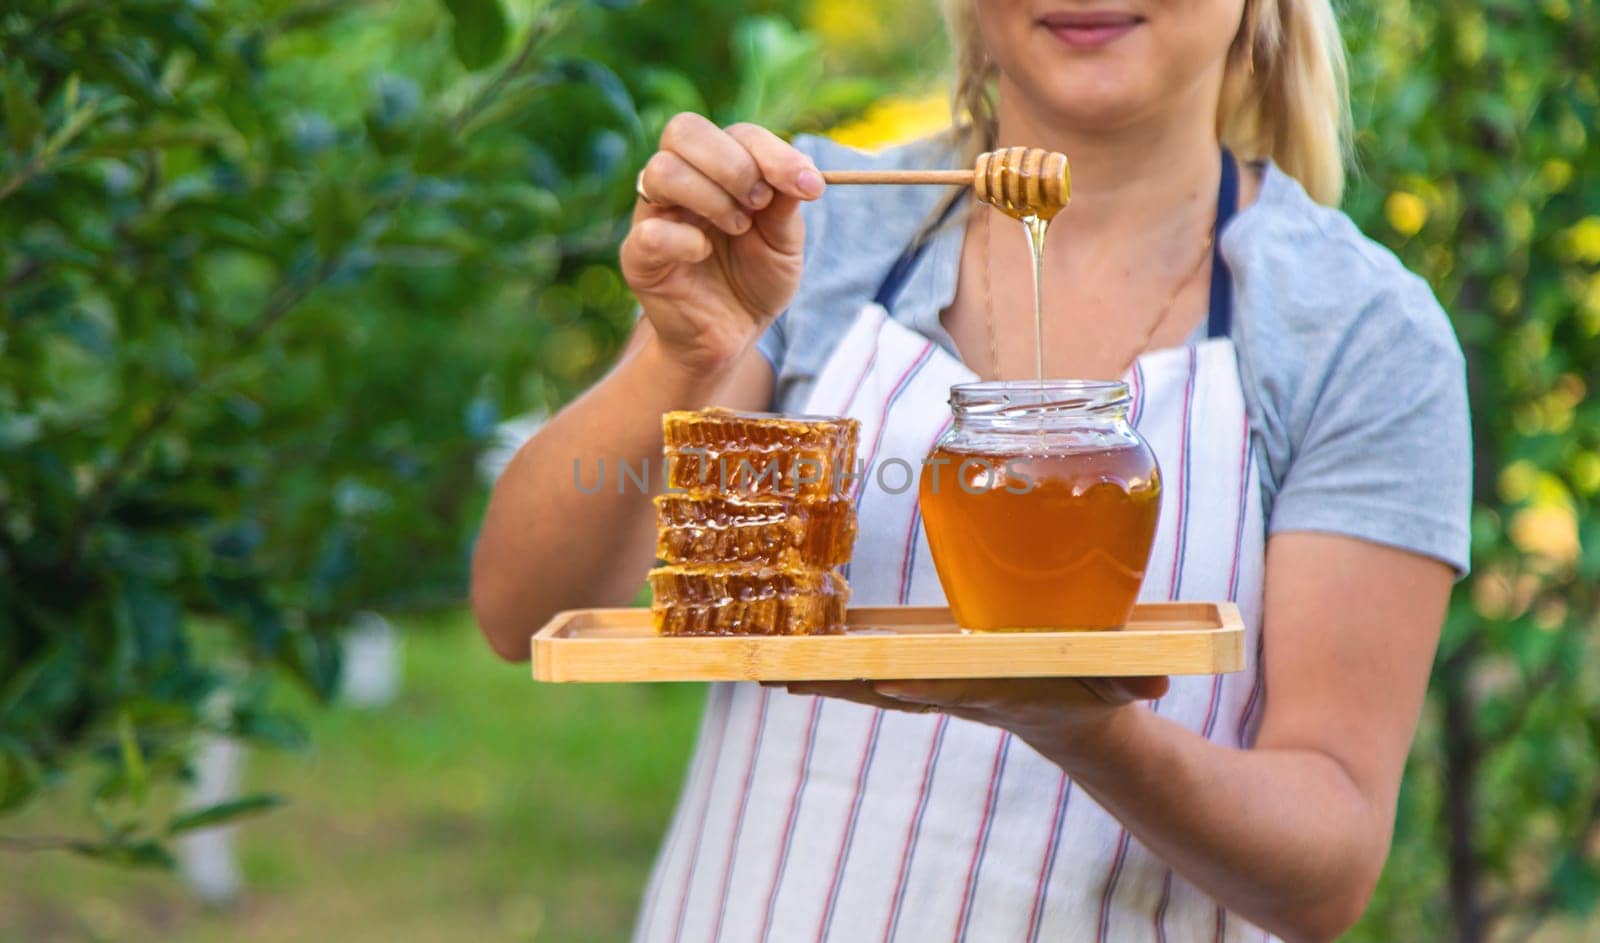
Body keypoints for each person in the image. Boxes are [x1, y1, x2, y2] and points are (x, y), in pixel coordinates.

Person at [471, 0, 1472, 938]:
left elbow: (1328, 860)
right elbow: (523, 610)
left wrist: (1078, 723)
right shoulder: (813, 231)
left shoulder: (1356, 332)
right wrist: (675, 355)